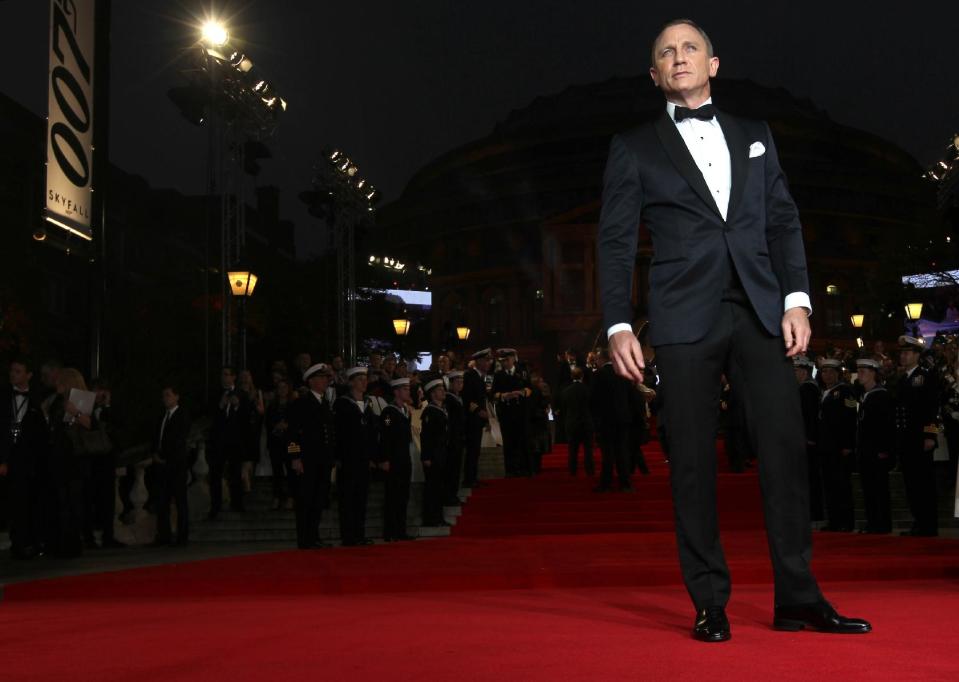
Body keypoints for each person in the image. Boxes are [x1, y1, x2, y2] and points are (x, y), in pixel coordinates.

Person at [596, 19, 869, 640]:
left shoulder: (755, 134)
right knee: (691, 461)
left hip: (758, 308)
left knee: (783, 452)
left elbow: (782, 220)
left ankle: (797, 597)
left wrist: (797, 299)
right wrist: (617, 323)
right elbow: (613, 242)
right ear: (655, 75)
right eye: (666, 52)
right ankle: (709, 601)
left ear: (713, 64)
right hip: (682, 314)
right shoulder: (633, 146)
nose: (679, 57)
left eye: (690, 47)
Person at [0, 358, 48, 559]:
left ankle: (30, 541)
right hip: (9, 454)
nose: (13, 374)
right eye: (12, 370)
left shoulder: (37, 399)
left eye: (18, 371)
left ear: (28, 375)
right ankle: (19, 542)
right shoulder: (3, 396)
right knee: (13, 500)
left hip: (29, 457)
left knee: (30, 500)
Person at [287, 363, 336, 550]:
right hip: (307, 460)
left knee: (317, 500)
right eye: (322, 378)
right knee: (306, 500)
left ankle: (313, 536)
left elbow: (328, 433)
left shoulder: (323, 402)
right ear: (312, 381)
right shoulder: (302, 403)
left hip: (322, 460)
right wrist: (295, 457)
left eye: (326, 378)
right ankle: (305, 538)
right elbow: (292, 434)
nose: (326, 381)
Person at [894, 336, 940, 536]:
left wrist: (931, 436)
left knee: (924, 484)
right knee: (911, 483)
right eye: (902, 352)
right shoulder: (904, 378)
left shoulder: (926, 376)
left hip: (920, 439)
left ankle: (928, 524)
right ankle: (919, 521)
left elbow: (933, 409)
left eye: (907, 352)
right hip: (906, 439)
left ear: (917, 355)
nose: (903, 356)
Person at [333, 367, 378, 546]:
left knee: (361, 497)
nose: (364, 382)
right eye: (360, 379)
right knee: (348, 498)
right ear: (351, 382)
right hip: (348, 458)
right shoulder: (342, 404)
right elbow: (338, 432)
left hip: (363, 459)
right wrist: (338, 456)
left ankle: (359, 533)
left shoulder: (368, 404)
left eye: (365, 379)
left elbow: (374, 429)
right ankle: (348, 535)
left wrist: (374, 456)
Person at [817, 359, 857, 532]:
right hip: (826, 446)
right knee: (830, 485)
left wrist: (848, 443)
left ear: (838, 374)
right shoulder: (825, 392)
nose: (828, 375)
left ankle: (846, 522)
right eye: (824, 372)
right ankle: (834, 521)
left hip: (840, 447)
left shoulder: (845, 391)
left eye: (831, 372)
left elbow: (850, 418)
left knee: (842, 486)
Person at [855, 358, 894, 534]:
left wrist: (884, 450)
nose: (860, 374)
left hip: (877, 452)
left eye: (864, 371)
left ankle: (882, 524)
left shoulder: (881, 395)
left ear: (873, 374)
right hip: (866, 451)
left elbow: (886, 426)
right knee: (869, 489)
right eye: (859, 371)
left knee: (879, 489)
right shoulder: (866, 395)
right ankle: (873, 523)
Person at [589, 348, 633, 492]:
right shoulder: (623, 373)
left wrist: (595, 419)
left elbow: (594, 399)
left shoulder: (599, 375)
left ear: (602, 359)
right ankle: (625, 483)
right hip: (622, 418)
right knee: (622, 452)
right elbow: (630, 396)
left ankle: (606, 484)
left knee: (607, 453)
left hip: (606, 419)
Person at [152, 385, 192, 546]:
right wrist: (155, 453)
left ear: (177, 397)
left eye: (168, 395)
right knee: (162, 501)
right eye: (164, 395)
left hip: (176, 465)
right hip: (162, 465)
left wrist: (167, 457)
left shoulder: (182, 415)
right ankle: (164, 535)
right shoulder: (161, 415)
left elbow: (178, 440)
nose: (165, 398)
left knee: (180, 501)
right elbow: (157, 436)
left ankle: (182, 536)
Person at [207, 367, 248, 519]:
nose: (224, 378)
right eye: (222, 375)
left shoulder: (241, 394)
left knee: (235, 473)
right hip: (218, 441)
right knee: (215, 474)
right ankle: (215, 506)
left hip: (235, 441)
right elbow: (209, 415)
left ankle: (237, 503)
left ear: (233, 377)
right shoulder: (214, 394)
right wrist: (220, 405)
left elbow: (247, 418)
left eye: (227, 375)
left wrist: (237, 406)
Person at [381, 378, 414, 541]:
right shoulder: (389, 411)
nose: (408, 392)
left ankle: (401, 530)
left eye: (408, 389)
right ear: (396, 392)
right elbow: (386, 437)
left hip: (404, 458)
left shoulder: (405, 410)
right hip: (393, 459)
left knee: (403, 495)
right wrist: (385, 459)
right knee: (392, 496)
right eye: (405, 389)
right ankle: (390, 531)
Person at [793, 356, 824, 522]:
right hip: (805, 439)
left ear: (804, 372)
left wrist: (809, 437)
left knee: (811, 478)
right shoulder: (806, 388)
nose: (794, 373)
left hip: (808, 441)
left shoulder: (807, 389)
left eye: (796, 370)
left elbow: (810, 416)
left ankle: (814, 512)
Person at [492, 349, 531, 476]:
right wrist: (504, 396)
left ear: (513, 359)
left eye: (507, 360)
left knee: (522, 440)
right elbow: (493, 394)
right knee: (508, 442)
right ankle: (510, 470)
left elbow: (530, 388)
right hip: (506, 413)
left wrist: (523, 392)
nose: (505, 363)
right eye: (502, 361)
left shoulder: (522, 372)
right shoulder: (498, 375)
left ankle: (524, 468)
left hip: (521, 411)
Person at [420, 377, 450, 526]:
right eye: (439, 390)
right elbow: (426, 436)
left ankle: (438, 517)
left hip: (442, 454)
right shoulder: (430, 412)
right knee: (432, 488)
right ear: (432, 394)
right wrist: (426, 456)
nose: (443, 392)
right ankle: (431, 518)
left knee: (440, 487)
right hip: (433, 456)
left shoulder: (442, 409)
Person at [462, 349, 492, 488]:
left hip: (478, 420)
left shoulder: (480, 377)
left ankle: (473, 477)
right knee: (472, 450)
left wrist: (485, 419)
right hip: (471, 419)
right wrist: (479, 411)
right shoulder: (470, 376)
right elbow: (467, 398)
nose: (489, 363)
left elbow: (482, 399)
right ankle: (469, 479)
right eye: (486, 360)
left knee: (475, 451)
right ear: (479, 361)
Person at [265, 378, 297, 510]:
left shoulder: (294, 404)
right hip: (276, 441)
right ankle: (278, 496)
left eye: (285, 387)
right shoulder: (272, 405)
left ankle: (291, 497)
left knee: (291, 470)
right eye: (280, 387)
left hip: (291, 442)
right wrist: (276, 426)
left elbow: (298, 423)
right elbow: (267, 421)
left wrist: (288, 426)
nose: (282, 390)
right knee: (277, 470)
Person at [560, 366, 594, 476]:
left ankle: (572, 470)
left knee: (572, 450)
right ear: (582, 376)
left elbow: (563, 408)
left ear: (571, 377)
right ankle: (589, 470)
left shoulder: (566, 391)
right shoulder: (588, 390)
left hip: (572, 423)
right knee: (588, 450)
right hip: (586, 423)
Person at [443, 370, 466, 505]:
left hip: (459, 438)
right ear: (451, 383)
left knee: (456, 469)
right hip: (452, 439)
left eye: (462, 382)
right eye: (457, 382)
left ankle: (453, 495)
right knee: (451, 470)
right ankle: (449, 496)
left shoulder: (459, 398)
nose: (460, 385)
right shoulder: (449, 398)